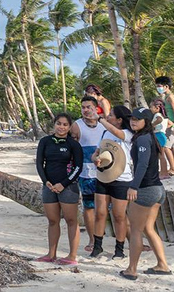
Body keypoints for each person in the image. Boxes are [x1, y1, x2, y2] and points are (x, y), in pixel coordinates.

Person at [119, 108, 171, 281]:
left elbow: (141, 165)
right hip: (158, 189)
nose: (133, 122)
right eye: (132, 119)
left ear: (146, 122)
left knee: (135, 231)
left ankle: (132, 270)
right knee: (149, 229)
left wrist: (133, 186)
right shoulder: (150, 137)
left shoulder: (142, 139)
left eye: (138, 119)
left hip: (146, 190)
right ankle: (162, 265)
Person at [35, 113, 83, 265]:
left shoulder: (73, 144)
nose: (61, 127)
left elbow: (78, 167)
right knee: (52, 220)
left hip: (68, 187)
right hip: (49, 187)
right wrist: (46, 182)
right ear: (54, 124)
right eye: (59, 123)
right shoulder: (45, 141)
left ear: (69, 127)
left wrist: (64, 183)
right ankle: (51, 253)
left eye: (65, 125)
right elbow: (39, 163)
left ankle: (72, 256)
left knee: (71, 220)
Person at [90, 105, 133, 259]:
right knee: (100, 213)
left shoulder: (128, 134)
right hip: (103, 175)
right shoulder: (104, 133)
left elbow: (117, 133)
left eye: (111, 115)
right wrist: (95, 159)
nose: (108, 117)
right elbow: (96, 152)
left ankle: (119, 249)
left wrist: (100, 119)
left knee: (119, 216)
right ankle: (97, 246)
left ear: (120, 120)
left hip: (122, 179)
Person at [70, 95, 103, 252]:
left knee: (113, 209)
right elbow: (71, 149)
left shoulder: (104, 124)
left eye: (89, 107)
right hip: (86, 175)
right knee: (89, 207)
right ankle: (92, 240)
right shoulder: (76, 126)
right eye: (83, 107)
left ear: (96, 108)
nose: (85, 110)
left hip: (106, 173)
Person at [155, 77, 174, 175]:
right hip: (171, 124)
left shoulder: (170, 97)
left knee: (166, 146)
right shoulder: (165, 96)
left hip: (172, 124)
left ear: (166, 86)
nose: (158, 88)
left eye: (159, 86)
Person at [149, 99, 174, 179]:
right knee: (162, 155)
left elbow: (159, 120)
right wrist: (163, 128)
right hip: (162, 134)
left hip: (158, 135)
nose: (150, 109)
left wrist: (152, 125)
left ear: (157, 108)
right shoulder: (165, 117)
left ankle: (164, 173)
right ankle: (164, 172)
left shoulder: (157, 115)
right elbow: (171, 124)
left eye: (151, 107)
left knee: (161, 155)